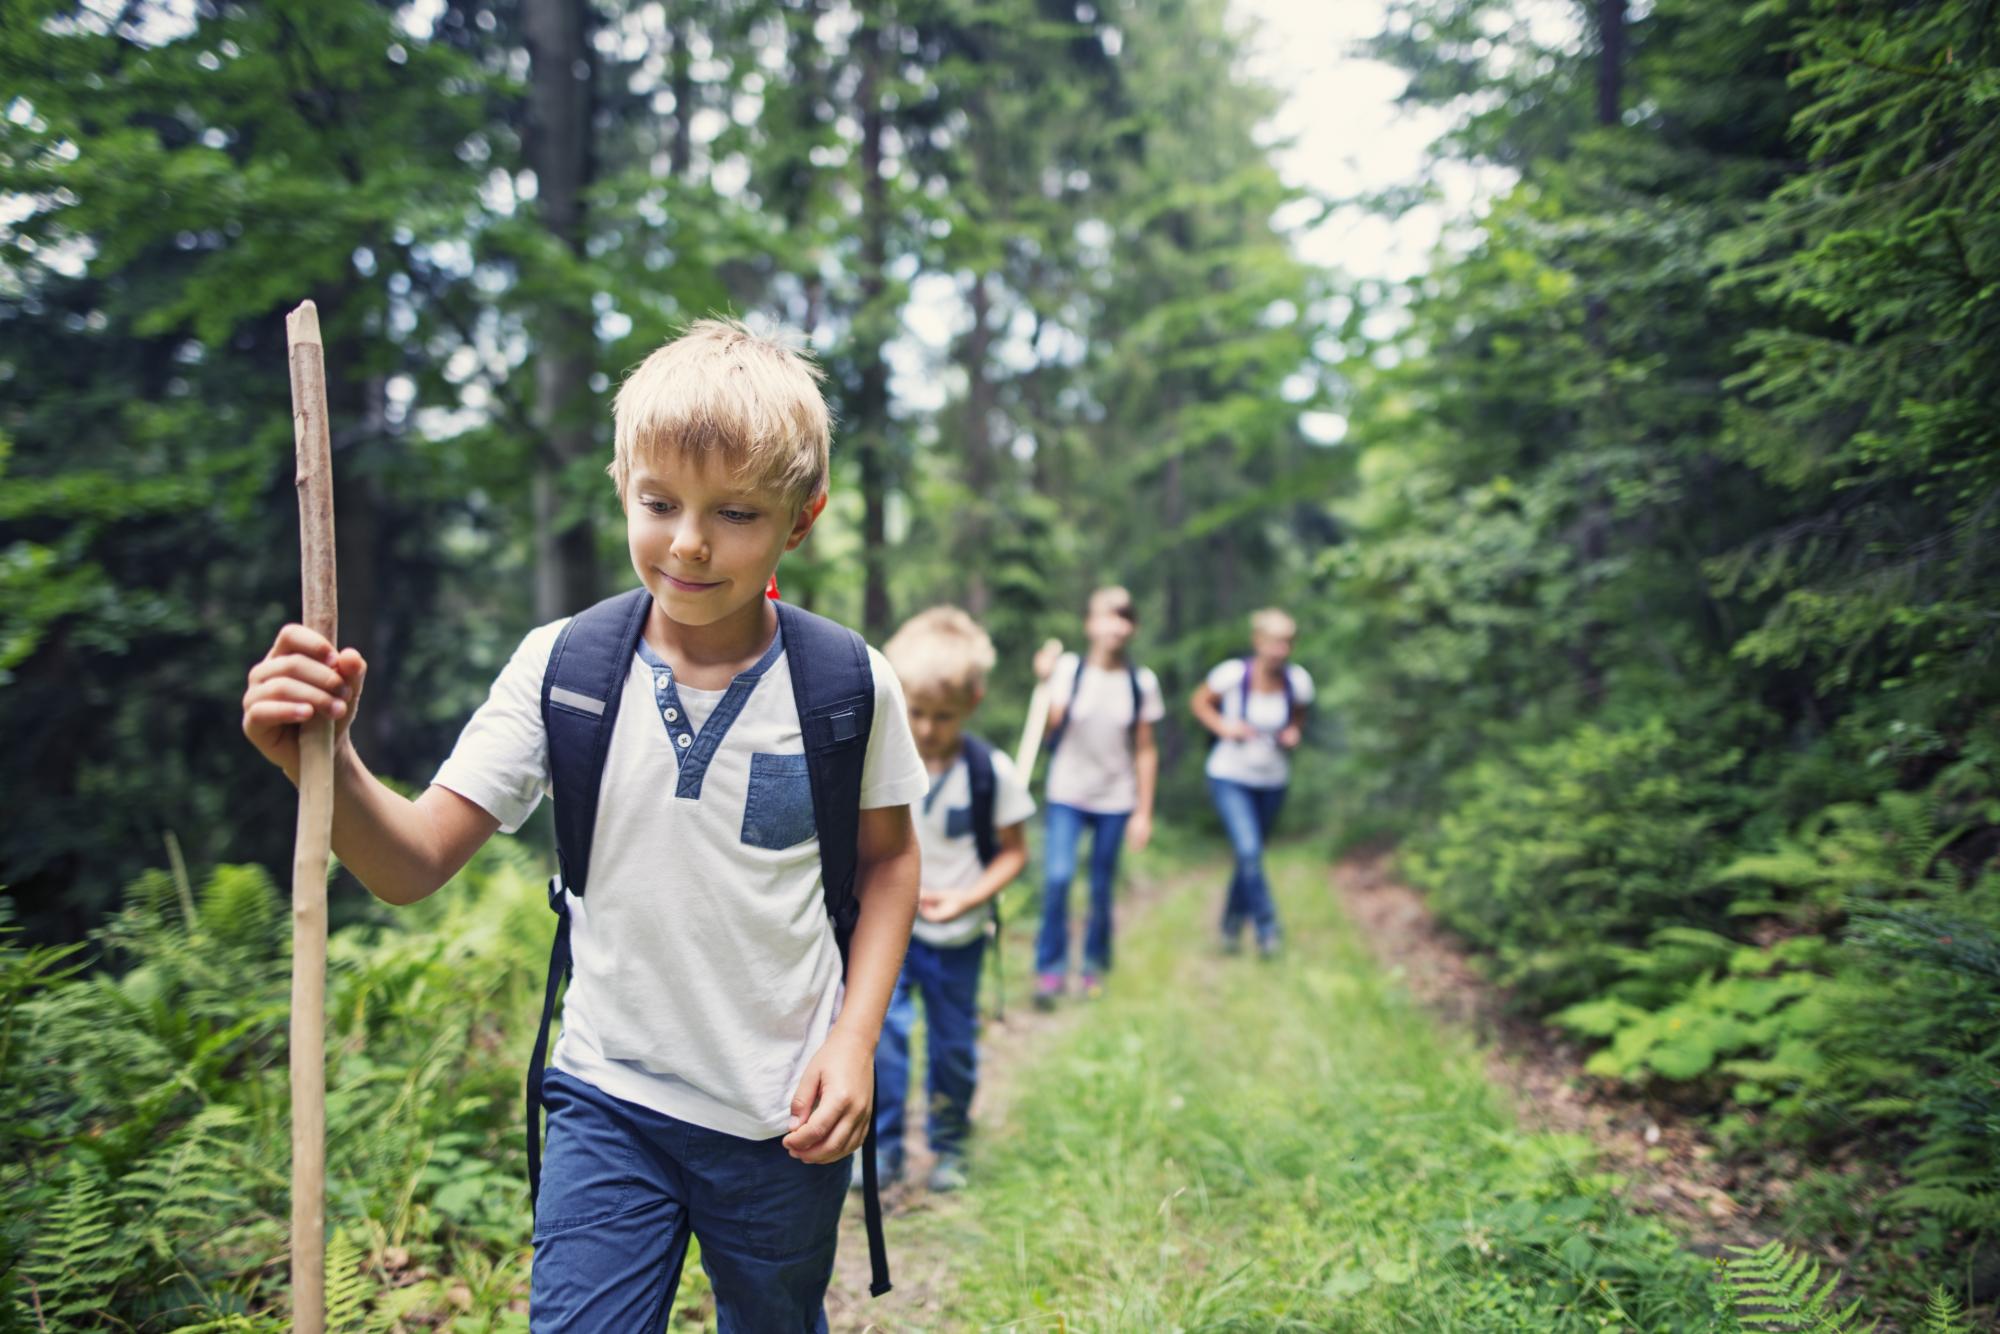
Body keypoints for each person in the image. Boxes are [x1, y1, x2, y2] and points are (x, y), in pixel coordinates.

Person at [240, 319, 928, 1331]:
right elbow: (411, 861)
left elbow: (889, 862)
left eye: (733, 511)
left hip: (783, 1112)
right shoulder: (561, 668)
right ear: (621, 485)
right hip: (609, 1100)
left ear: (800, 518)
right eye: (659, 503)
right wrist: (324, 763)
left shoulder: (844, 684)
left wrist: (854, 1039)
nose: (688, 540)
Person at [871, 607, 1034, 1193]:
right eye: (915, 713)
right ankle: (883, 1149)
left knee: (953, 1046)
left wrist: (969, 898)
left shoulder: (991, 772)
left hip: (959, 939)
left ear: (973, 702)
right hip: (889, 934)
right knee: (881, 1040)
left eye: (944, 716)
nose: (928, 729)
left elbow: (1014, 852)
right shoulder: (880, 764)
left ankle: (949, 1147)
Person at [1030, 585, 1164, 1006]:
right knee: (1058, 878)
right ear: (1090, 624)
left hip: (1115, 798)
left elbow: (1145, 749)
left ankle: (1093, 967)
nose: (1115, 625)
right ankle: (1049, 971)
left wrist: (1143, 812)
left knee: (1101, 888)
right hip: (1067, 791)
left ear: (1133, 627)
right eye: (1107, 615)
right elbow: (1050, 729)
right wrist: (1046, 681)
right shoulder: (1068, 670)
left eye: (1124, 616)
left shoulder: (1141, 683)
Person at [1188, 607, 1313, 958]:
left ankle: (1230, 925)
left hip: (1273, 780)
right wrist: (1224, 727)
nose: (1280, 650)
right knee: (1248, 851)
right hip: (1230, 776)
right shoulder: (1232, 675)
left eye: (1287, 643)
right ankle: (1267, 929)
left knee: (1250, 857)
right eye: (1274, 642)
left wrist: (1293, 733)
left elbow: (1299, 717)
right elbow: (1199, 703)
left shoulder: (1297, 682)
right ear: (1258, 641)